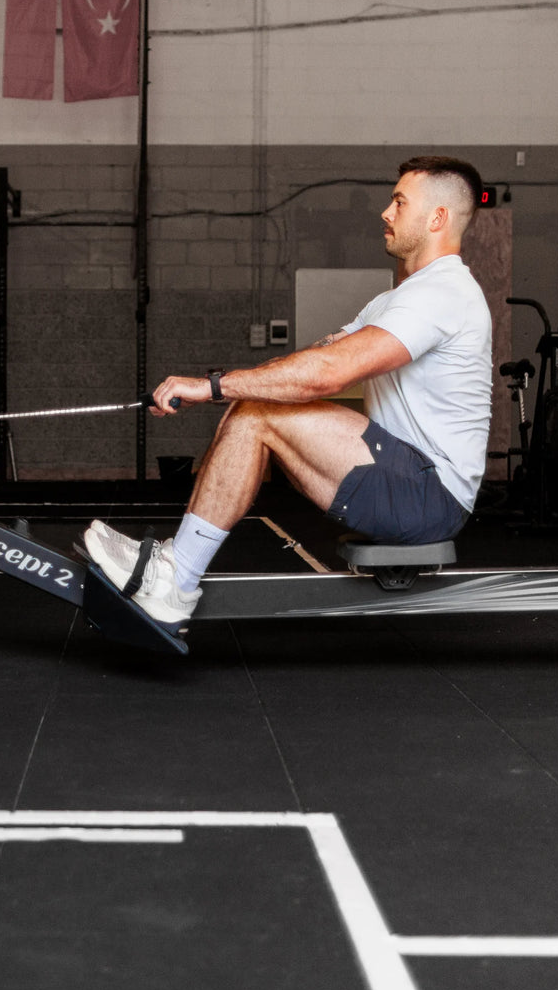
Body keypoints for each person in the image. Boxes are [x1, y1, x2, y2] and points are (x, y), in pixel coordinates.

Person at [83, 155, 493, 636]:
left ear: (437, 218)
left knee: (257, 412)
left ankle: (176, 579)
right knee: (256, 404)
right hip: (403, 472)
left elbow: (327, 374)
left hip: (428, 495)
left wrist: (210, 386)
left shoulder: (444, 292)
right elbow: (313, 359)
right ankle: (178, 564)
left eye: (400, 202)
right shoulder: (394, 299)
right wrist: (232, 386)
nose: (386, 211)